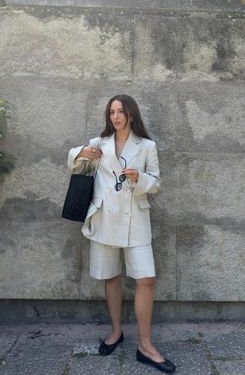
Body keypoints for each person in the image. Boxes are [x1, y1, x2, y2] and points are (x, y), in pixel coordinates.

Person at [67, 94, 176, 374]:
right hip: (104, 218)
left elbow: (156, 183)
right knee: (111, 276)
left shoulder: (147, 145)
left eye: (120, 111)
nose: (115, 116)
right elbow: (76, 165)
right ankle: (116, 331)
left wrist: (140, 178)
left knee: (146, 279)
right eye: (112, 112)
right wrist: (81, 152)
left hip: (136, 220)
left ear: (131, 114)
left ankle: (145, 345)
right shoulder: (99, 143)